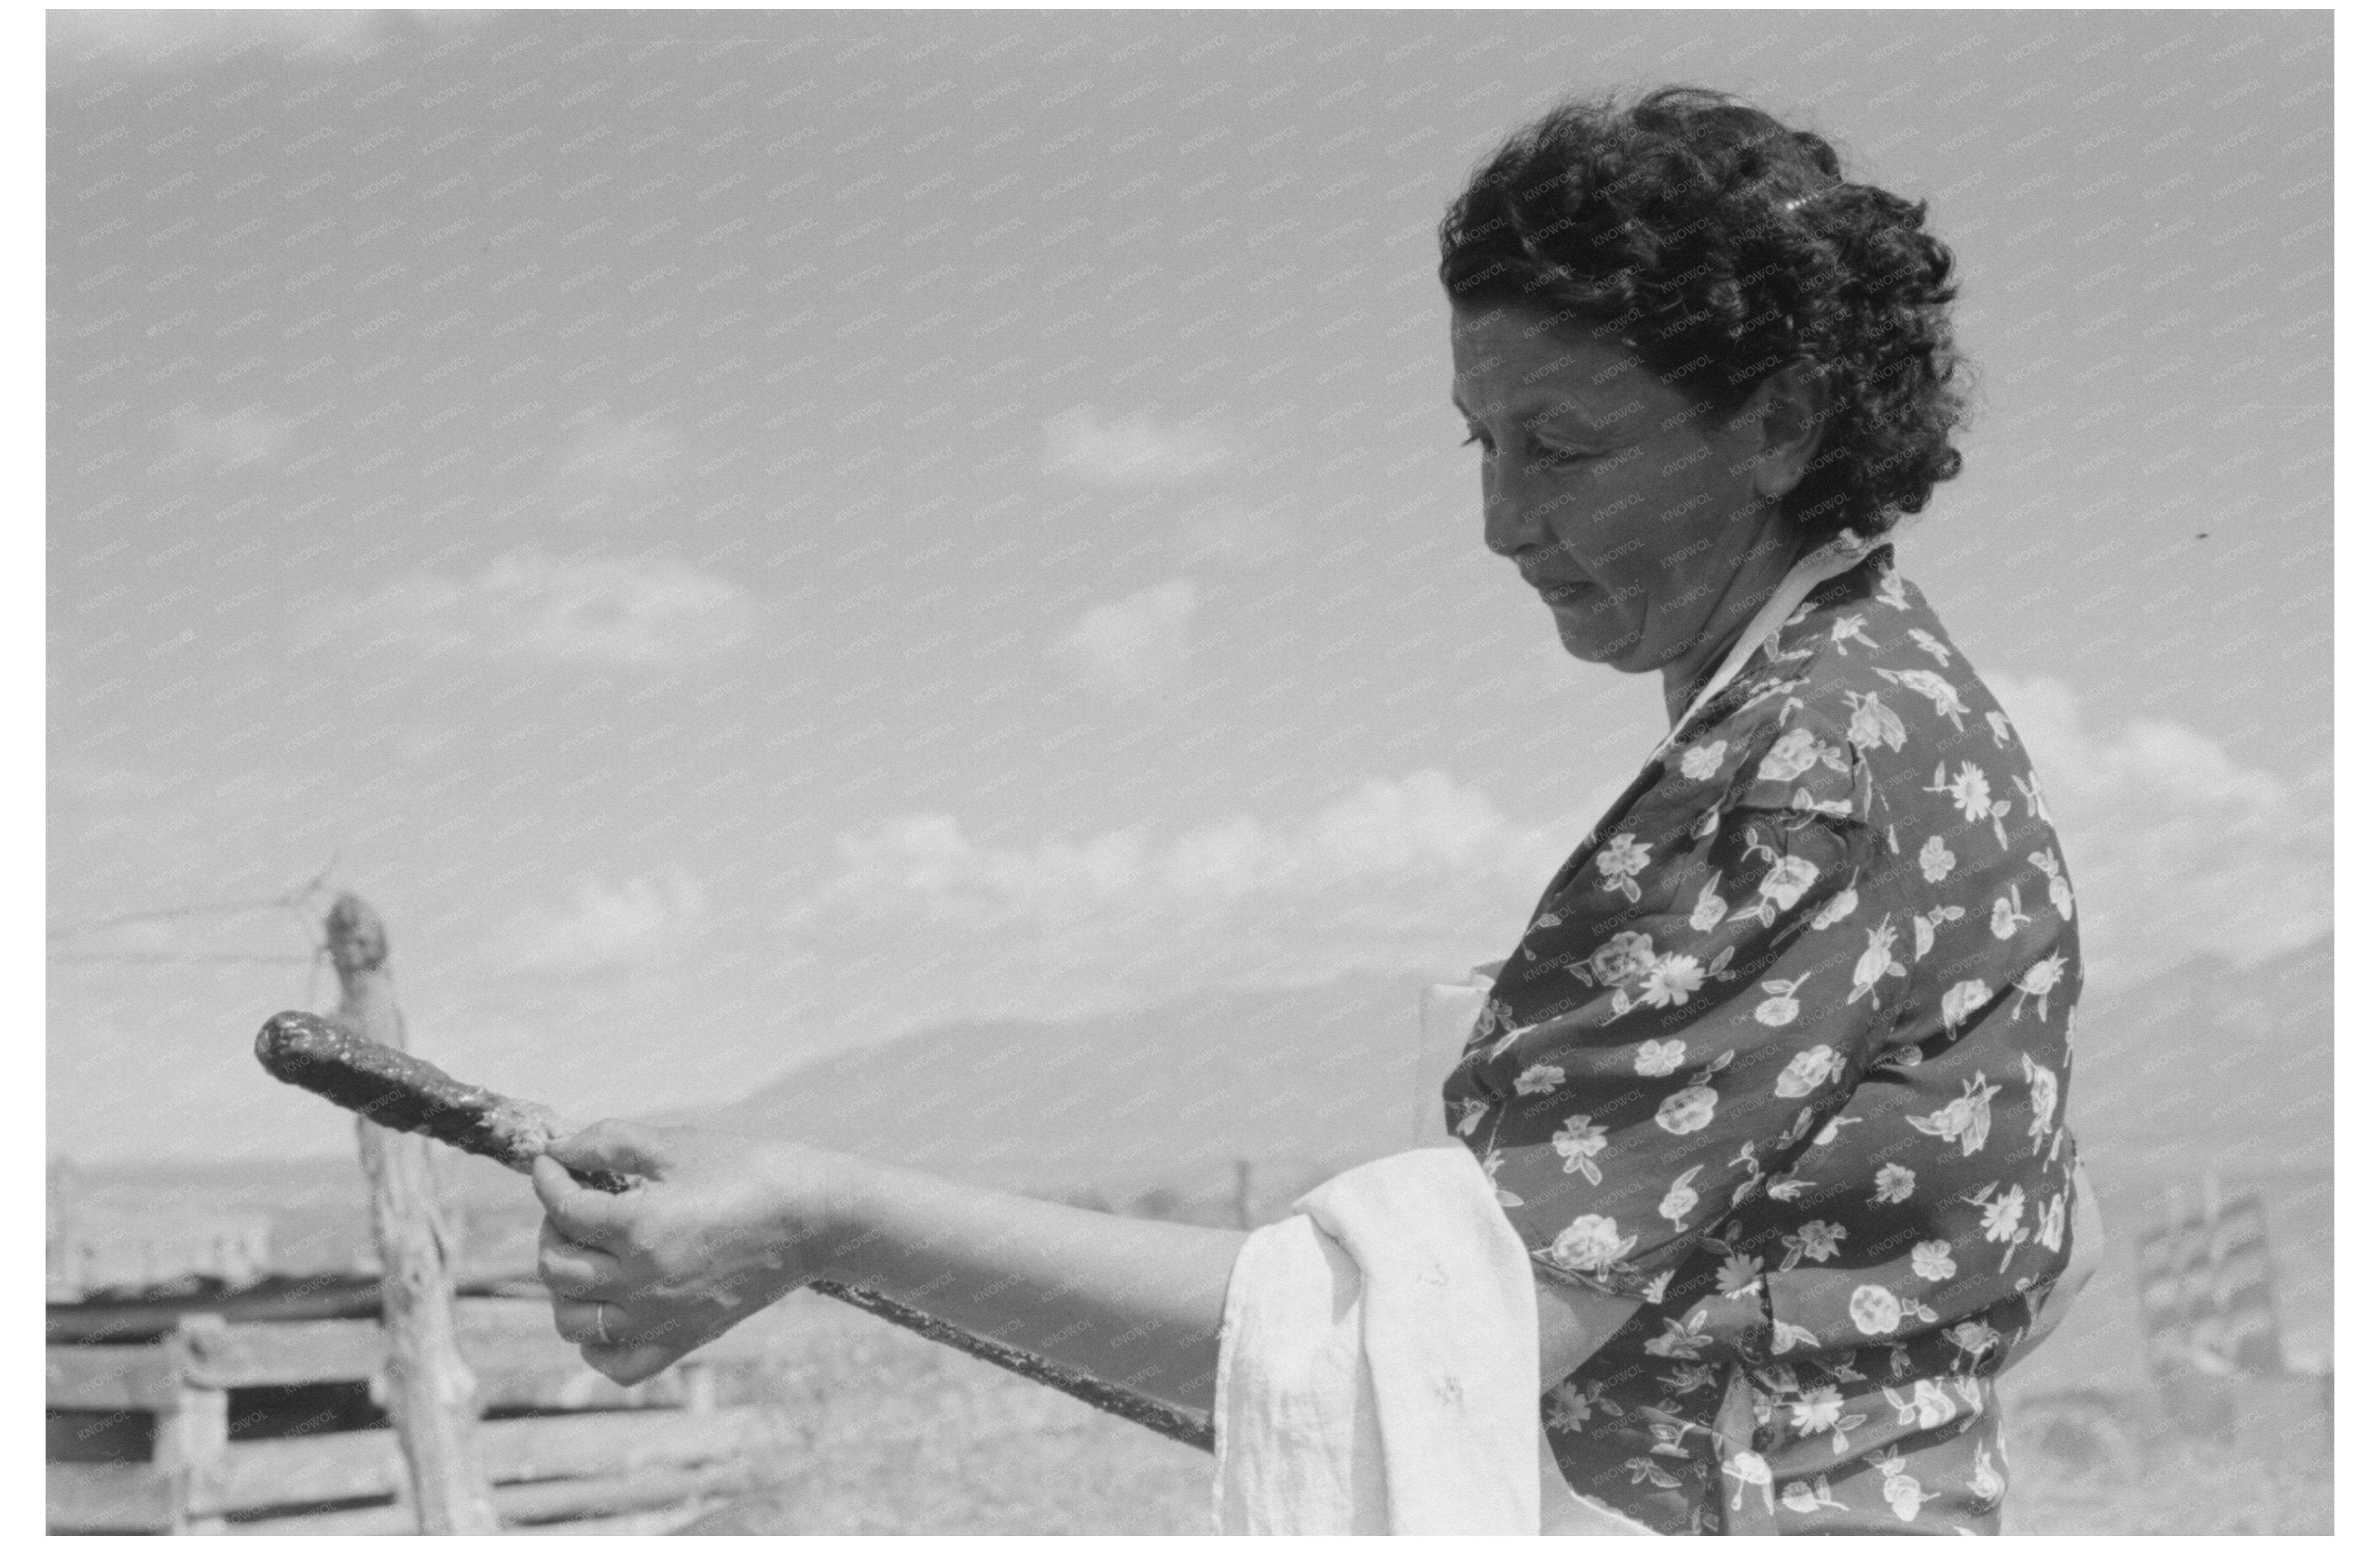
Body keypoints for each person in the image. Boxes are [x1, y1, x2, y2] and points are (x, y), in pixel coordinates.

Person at [528, 87, 2092, 1536]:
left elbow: (1438, 1344)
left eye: (1563, 447)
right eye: (1482, 442)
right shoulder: (1885, 711)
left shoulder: (1808, 771)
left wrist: (827, 1219)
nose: (1499, 521)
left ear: (1779, 423)